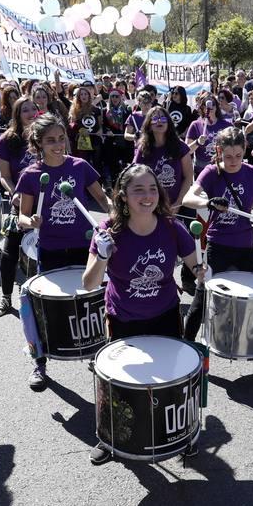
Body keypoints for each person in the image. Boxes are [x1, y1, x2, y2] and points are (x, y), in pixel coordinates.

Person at [82, 164, 206, 464]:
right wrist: (101, 256)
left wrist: (202, 271)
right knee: (122, 384)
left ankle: (183, 432)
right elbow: (89, 283)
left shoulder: (170, 226)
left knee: (173, 380)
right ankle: (111, 438)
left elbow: (194, 265)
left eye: (152, 188)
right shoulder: (108, 231)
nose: (147, 195)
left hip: (164, 314)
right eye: (138, 190)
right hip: (124, 318)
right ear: (123, 196)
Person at [14, 114, 114, 390]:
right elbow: (22, 216)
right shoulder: (31, 175)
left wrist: (117, 217)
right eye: (50, 141)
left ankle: (100, 353)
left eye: (61, 139)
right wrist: (30, 222)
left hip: (85, 246)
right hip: (51, 248)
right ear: (39, 144)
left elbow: (102, 198)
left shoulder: (79, 166)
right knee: (44, 308)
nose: (58, 145)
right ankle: (40, 361)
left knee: (92, 301)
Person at [180, 126, 253, 339]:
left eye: (238, 155)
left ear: (245, 149)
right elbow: (188, 198)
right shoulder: (212, 172)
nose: (233, 161)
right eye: (227, 156)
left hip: (245, 245)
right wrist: (207, 202)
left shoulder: (252, 173)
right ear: (218, 151)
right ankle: (186, 344)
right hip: (217, 245)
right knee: (202, 297)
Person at [0, 96, 43, 317]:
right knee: (9, 252)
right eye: (25, 110)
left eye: (34, 109)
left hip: (45, 205)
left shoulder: (45, 136)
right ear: (17, 115)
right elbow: (4, 176)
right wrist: (15, 193)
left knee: (46, 252)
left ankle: (44, 299)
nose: (31, 113)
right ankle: (5, 298)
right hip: (20, 204)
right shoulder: (6, 140)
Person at [132, 106, 193, 215]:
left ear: (168, 123)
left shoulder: (180, 146)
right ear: (149, 125)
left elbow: (188, 177)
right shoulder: (143, 148)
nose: (159, 121)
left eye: (163, 118)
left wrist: (178, 203)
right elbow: (135, 176)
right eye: (155, 119)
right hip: (151, 206)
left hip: (177, 205)